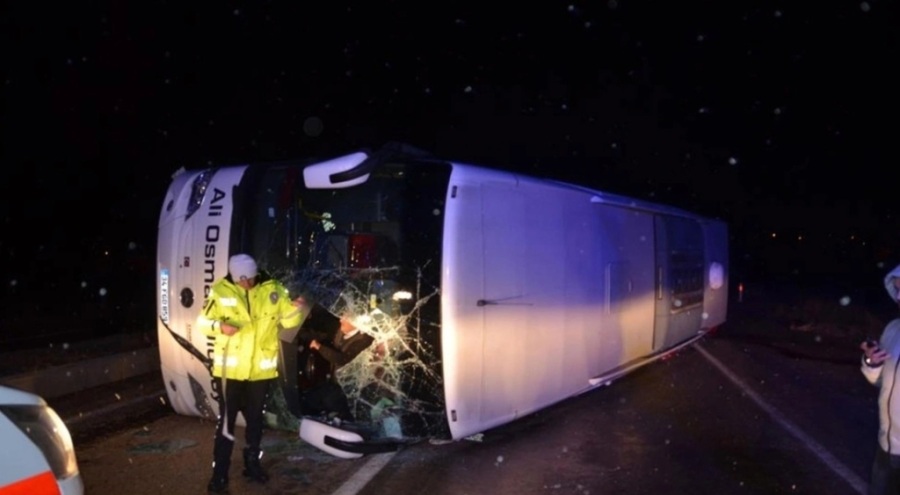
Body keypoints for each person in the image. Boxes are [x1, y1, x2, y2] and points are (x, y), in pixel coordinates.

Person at [198, 254, 307, 495]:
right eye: (242, 280)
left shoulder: (274, 289)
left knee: (256, 421)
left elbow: (288, 323)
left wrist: (296, 310)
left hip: (260, 371)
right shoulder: (220, 291)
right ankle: (219, 476)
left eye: (250, 278)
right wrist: (220, 327)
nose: (247, 283)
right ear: (235, 277)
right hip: (230, 371)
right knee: (226, 424)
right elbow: (203, 323)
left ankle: (252, 464)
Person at [860, 263, 900, 495]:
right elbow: (881, 382)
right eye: (896, 289)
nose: (898, 296)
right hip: (884, 446)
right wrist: (872, 363)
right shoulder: (893, 329)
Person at [301, 313, 374, 423]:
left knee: (329, 401)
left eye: (345, 318)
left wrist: (319, 347)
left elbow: (342, 359)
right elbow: (323, 336)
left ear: (356, 322)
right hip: (334, 381)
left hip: (349, 387)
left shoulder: (363, 340)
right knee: (310, 399)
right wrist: (302, 334)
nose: (341, 320)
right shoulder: (340, 331)